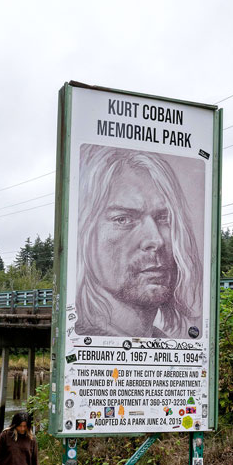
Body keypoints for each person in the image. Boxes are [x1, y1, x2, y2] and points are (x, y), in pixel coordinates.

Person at [74, 145, 203, 338]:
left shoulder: (166, 345)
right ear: (86, 232)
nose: (156, 240)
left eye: (163, 218)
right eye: (123, 219)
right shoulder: (82, 340)